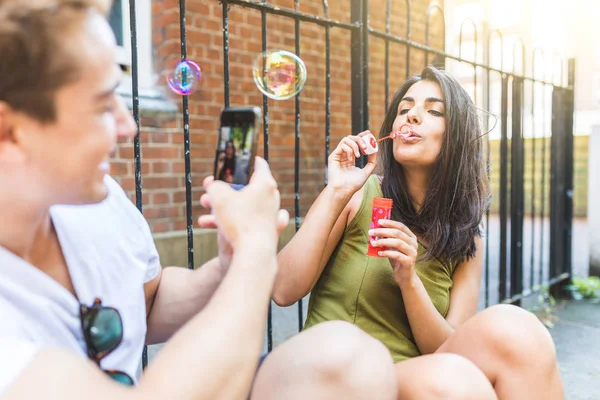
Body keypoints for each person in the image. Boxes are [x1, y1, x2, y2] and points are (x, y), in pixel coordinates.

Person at [0, 1, 398, 399]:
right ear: (11, 134)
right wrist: (254, 252)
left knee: (352, 360)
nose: (129, 125)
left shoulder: (100, 202)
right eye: (104, 104)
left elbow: (151, 302)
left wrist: (226, 265)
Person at [273, 66, 565, 399]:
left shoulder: (466, 235)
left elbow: (449, 347)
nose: (411, 116)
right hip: (337, 376)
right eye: (404, 109)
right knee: (452, 383)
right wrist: (336, 191)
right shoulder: (357, 195)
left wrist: (409, 280)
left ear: (456, 136)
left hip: (412, 378)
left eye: (433, 110)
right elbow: (283, 290)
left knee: (521, 330)